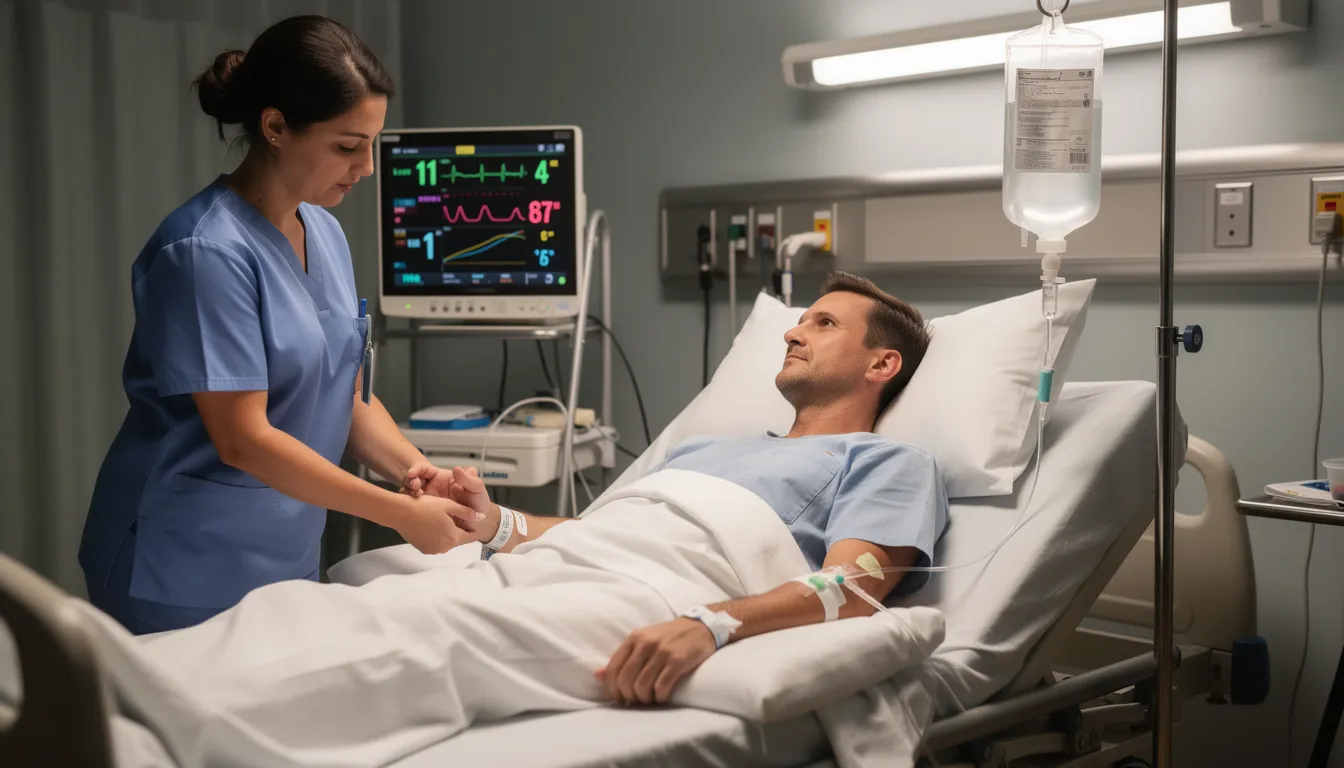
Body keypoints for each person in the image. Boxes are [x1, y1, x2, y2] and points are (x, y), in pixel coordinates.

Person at [79, 16, 478, 636]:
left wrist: (416, 475)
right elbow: (243, 438)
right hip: (182, 560)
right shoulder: (203, 251)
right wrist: (398, 513)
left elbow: (341, 393)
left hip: (283, 552)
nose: (367, 167)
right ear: (274, 127)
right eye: (348, 146)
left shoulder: (323, 230)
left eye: (372, 143)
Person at [402, 270, 950, 705]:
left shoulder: (890, 462)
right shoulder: (704, 446)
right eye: (799, 321)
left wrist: (712, 623)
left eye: (824, 323)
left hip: (651, 593)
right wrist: (493, 522)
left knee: (416, 652)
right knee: (381, 613)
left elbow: (852, 588)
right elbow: (604, 533)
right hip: (555, 566)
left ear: (883, 363)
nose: (792, 332)